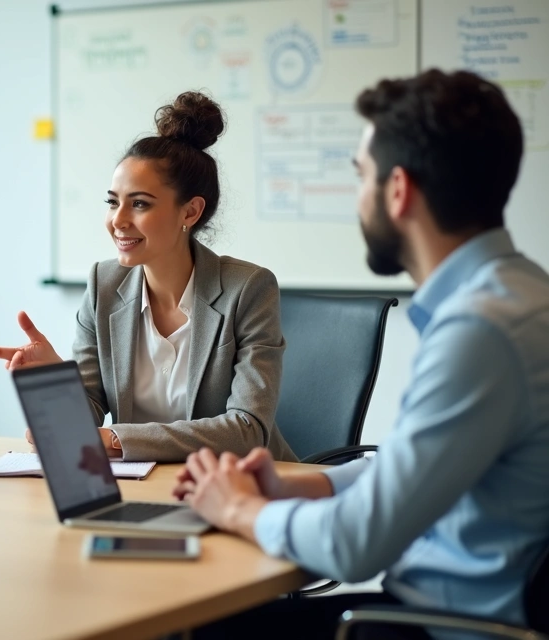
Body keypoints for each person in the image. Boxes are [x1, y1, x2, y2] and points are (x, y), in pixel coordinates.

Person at [177, 69, 549, 639]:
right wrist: (301, 483)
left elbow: (354, 545)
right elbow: (406, 468)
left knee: (199, 628)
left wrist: (237, 510)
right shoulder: (522, 298)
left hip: (438, 627)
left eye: (362, 177)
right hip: (453, 613)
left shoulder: (480, 334)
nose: (359, 198)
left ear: (398, 191)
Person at [0, 92, 296, 463]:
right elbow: (88, 414)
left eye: (139, 203)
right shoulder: (103, 286)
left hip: (247, 485)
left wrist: (114, 439)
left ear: (189, 212)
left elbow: (247, 429)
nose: (118, 220)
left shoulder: (248, 289)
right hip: (144, 482)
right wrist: (57, 386)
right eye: (113, 202)